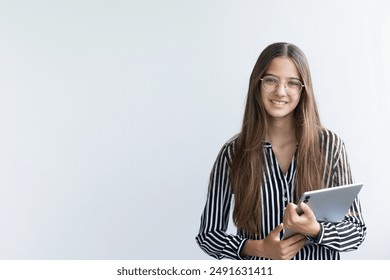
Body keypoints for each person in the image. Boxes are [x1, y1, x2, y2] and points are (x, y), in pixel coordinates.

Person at [195, 42, 367, 260]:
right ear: (257, 84)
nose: (280, 91)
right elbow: (208, 235)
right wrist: (258, 248)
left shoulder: (330, 146)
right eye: (271, 80)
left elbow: (356, 230)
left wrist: (316, 230)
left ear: (303, 89)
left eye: (292, 83)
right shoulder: (233, 153)